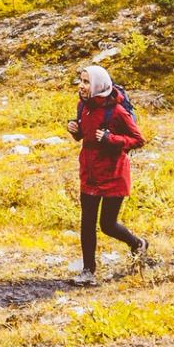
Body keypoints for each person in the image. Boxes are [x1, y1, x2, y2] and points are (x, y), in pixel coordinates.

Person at [68, 64, 147, 286]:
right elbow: (88, 136)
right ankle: (88, 272)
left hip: (113, 175)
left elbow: (138, 140)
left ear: (98, 85)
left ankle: (138, 244)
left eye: (86, 82)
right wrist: (76, 132)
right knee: (87, 223)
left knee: (108, 225)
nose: (81, 86)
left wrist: (111, 139)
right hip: (90, 173)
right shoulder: (83, 107)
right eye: (80, 81)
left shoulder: (117, 111)